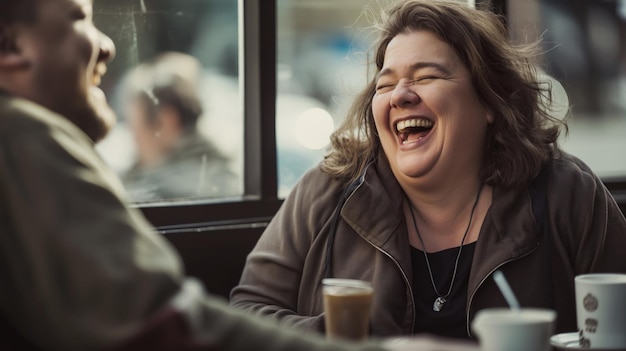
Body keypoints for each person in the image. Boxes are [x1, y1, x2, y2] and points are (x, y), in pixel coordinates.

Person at [0, 0, 481, 350]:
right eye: (78, 17)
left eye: (427, 76)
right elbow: (164, 325)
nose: (106, 43)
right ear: (11, 47)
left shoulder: (556, 192)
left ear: (488, 104)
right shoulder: (21, 135)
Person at [230, 0, 626, 341]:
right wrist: (349, 343)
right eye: (385, 85)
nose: (400, 95)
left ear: (489, 101)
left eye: (427, 76)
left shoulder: (567, 192)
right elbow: (248, 312)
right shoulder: (327, 191)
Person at [120, 52, 239, 202]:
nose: (132, 137)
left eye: (134, 126)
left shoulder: (162, 192)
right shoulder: (222, 166)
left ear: (166, 121)